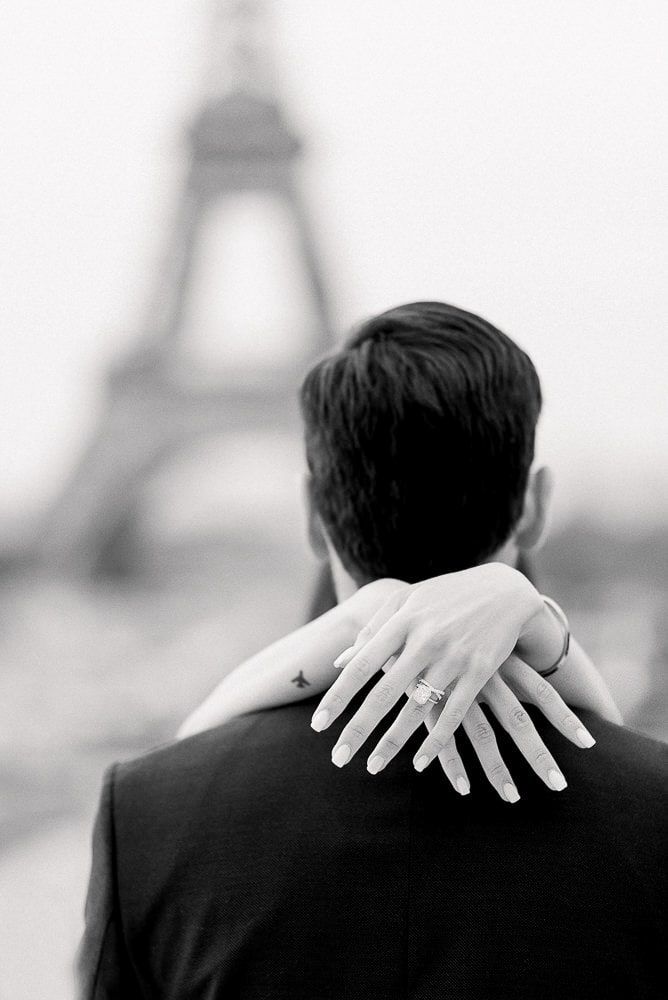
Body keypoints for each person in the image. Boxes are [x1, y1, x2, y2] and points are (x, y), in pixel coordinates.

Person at [78, 303, 667, 999]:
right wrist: (549, 632)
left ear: (311, 515)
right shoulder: (651, 808)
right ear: (535, 506)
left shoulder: (146, 813)